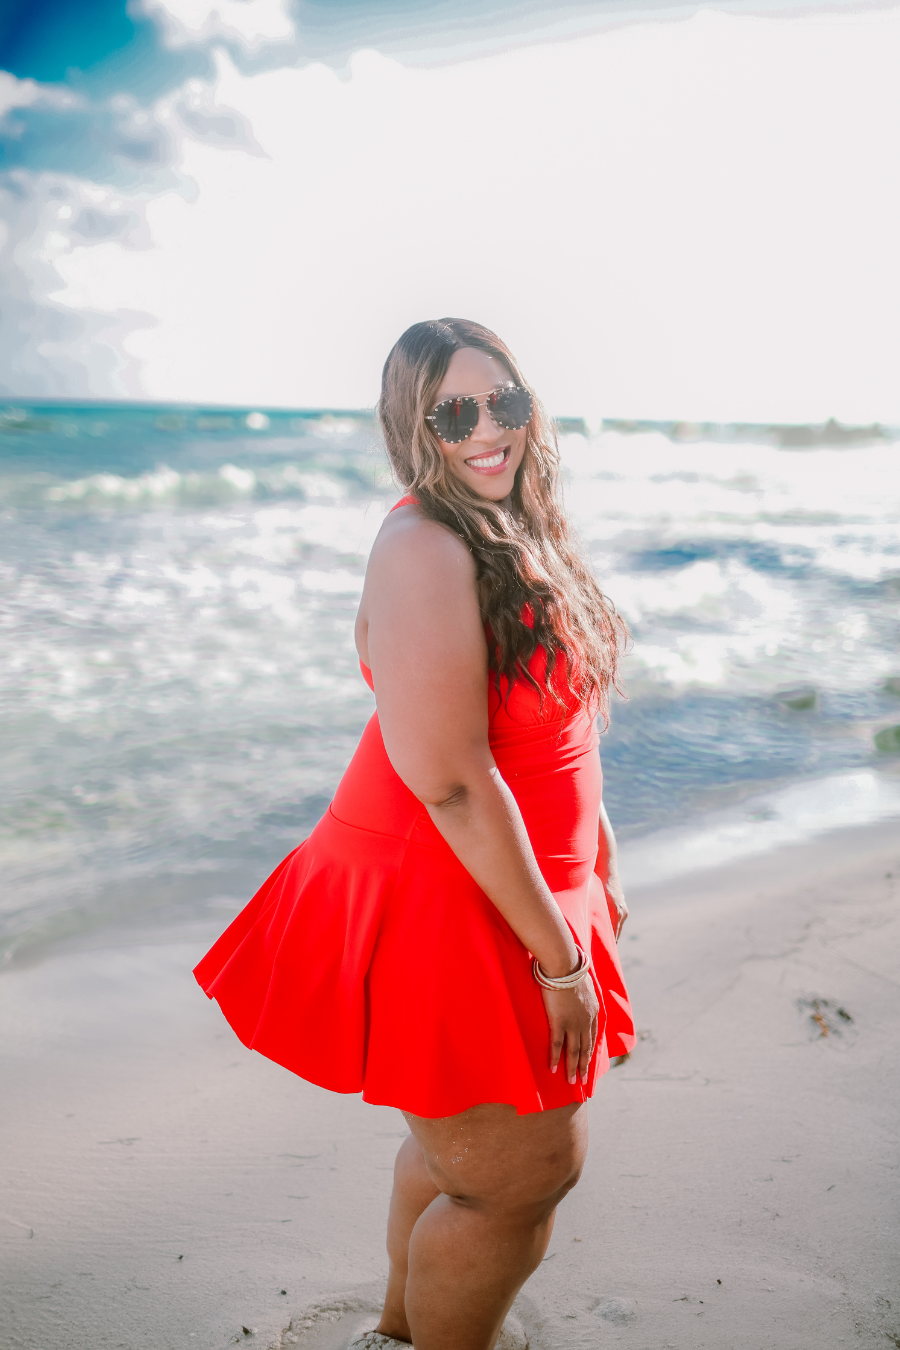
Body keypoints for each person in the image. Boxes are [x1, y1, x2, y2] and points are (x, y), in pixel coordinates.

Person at [194, 317, 635, 1350]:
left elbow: (551, 726)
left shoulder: (506, 528)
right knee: (517, 1182)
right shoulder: (425, 546)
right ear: (413, 428)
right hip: (455, 896)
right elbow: (449, 780)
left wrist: (599, 858)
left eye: (505, 402)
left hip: (512, 885)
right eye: (454, 412)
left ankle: (400, 1334)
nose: (488, 429)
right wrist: (560, 961)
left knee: (461, 1158)